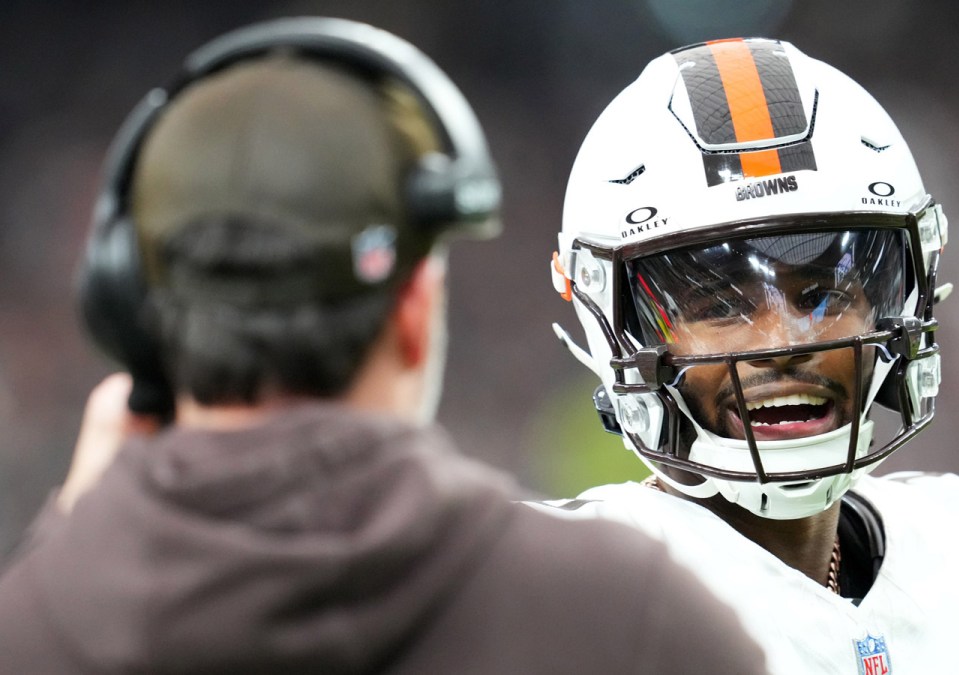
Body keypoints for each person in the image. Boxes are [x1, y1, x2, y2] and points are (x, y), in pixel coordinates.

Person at [0, 19, 769, 674]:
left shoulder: (31, 629)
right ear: (414, 309)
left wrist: (67, 543)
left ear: (128, 309)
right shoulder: (633, 620)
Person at [542, 37, 959, 673]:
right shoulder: (562, 595)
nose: (785, 342)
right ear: (615, 325)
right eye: (719, 307)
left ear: (902, 301)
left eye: (823, 293)